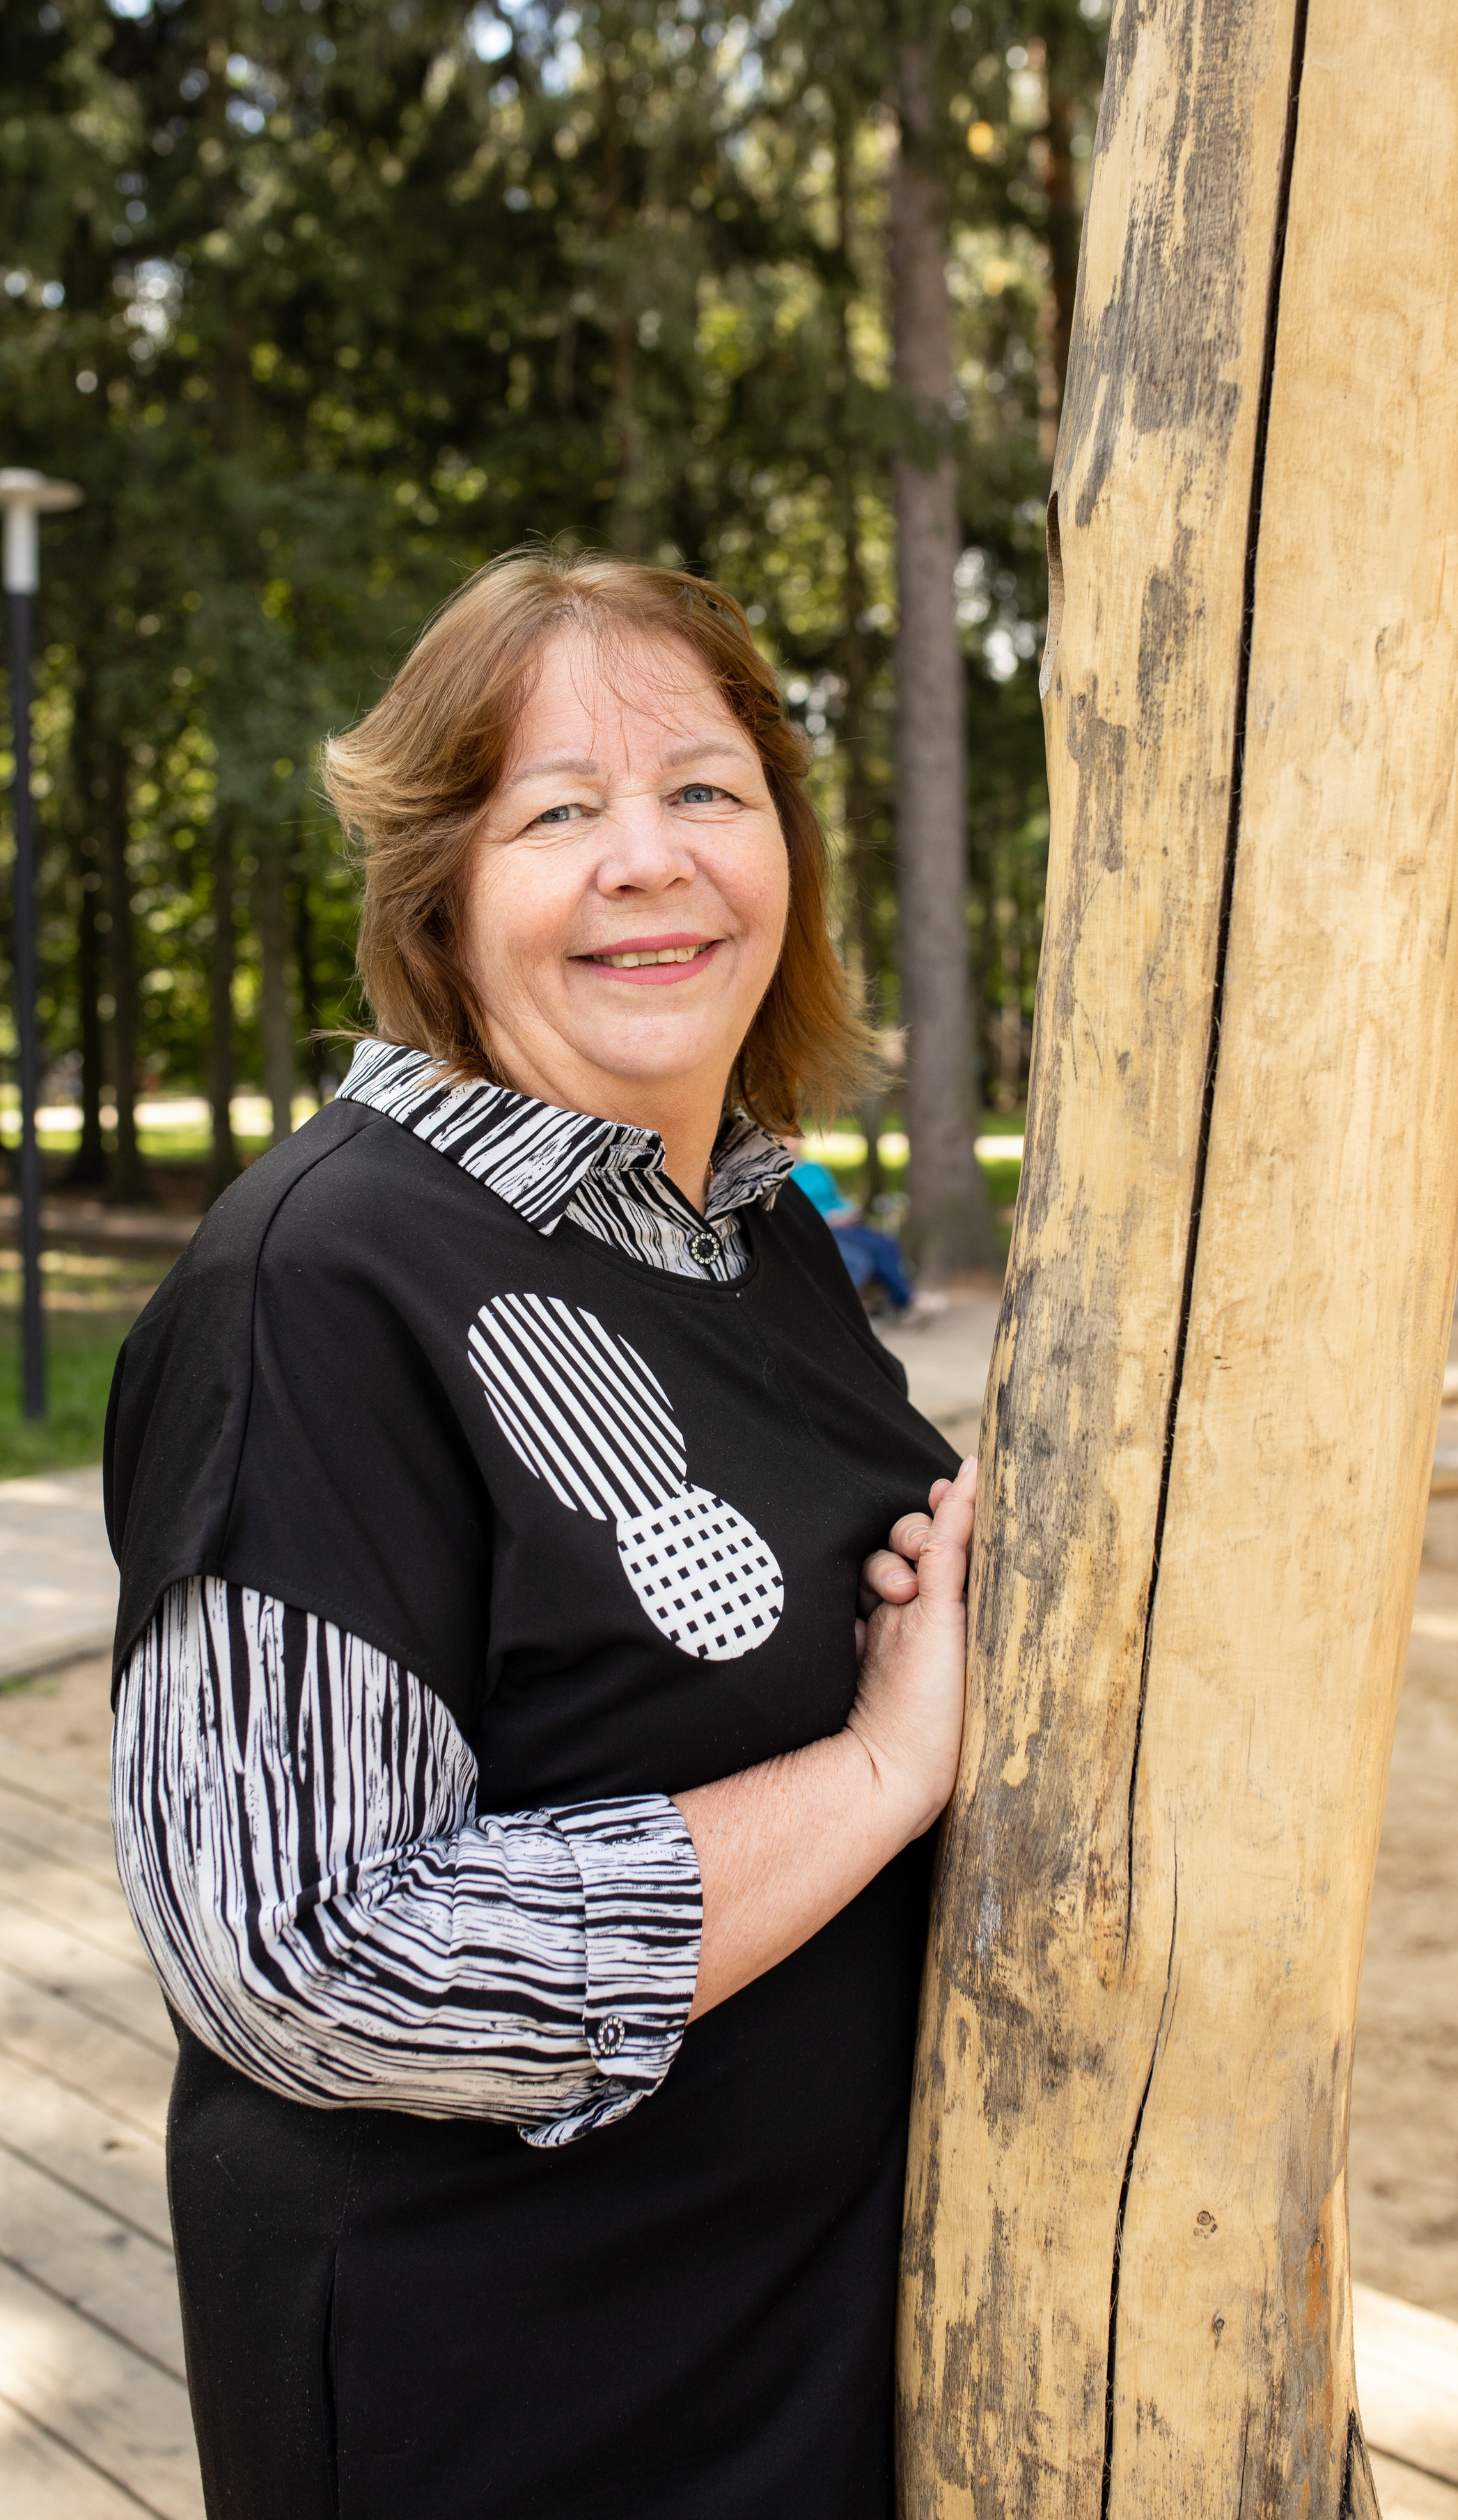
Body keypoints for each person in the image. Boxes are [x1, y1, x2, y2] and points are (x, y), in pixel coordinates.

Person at [105, 550, 980, 2520]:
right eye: (557, 812)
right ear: (440, 890)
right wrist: (877, 1770)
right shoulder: (318, 1289)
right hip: (513, 2417)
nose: (648, 862)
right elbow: (304, 1951)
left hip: (772, 2373)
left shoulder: (748, 1233)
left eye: (704, 791)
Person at [787, 1143, 948, 1323]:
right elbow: (793, 1211)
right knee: (865, 1255)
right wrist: (827, 1218)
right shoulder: (783, 1176)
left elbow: (835, 1198)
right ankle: (904, 1300)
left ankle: (903, 1298)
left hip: (842, 1223)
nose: (792, 1142)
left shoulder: (815, 1169)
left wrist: (848, 1211)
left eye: (795, 1137)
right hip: (818, 1227)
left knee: (885, 1242)